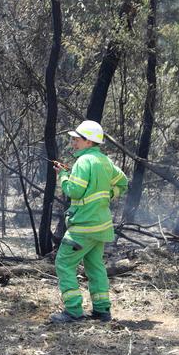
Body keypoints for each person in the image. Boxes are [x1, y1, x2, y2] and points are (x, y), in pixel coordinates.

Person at [50, 120, 128, 324]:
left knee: (64, 263)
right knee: (95, 267)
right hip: (101, 226)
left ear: (89, 142)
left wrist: (64, 176)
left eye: (77, 139)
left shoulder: (83, 162)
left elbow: (74, 191)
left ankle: (73, 311)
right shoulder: (105, 161)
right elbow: (123, 182)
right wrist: (107, 195)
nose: (73, 142)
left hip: (83, 227)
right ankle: (102, 311)